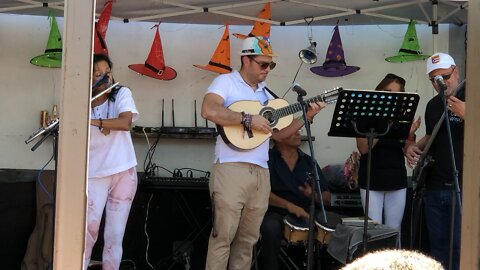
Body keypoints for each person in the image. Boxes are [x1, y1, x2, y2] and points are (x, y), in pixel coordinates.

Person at [201, 36, 325, 269]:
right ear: (246, 60)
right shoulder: (225, 81)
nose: (268, 70)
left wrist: (306, 116)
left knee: (248, 240)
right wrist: (248, 119)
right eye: (263, 64)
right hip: (230, 167)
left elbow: (278, 135)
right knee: (223, 238)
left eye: (271, 65)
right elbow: (208, 109)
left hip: (261, 172)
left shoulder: (267, 95)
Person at [405, 52, 464, 270]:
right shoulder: (432, 105)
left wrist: (468, 114)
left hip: (464, 187)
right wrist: (413, 147)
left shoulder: (472, 97)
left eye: (445, 77)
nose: (441, 84)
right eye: (434, 80)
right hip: (435, 185)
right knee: (437, 249)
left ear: (456, 71)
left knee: (462, 247)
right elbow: (432, 135)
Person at [84, 54, 139, 270]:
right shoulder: (80, 101)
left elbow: (125, 122)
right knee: (89, 232)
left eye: (108, 72)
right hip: (94, 172)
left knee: (115, 236)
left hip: (123, 170)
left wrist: (94, 121)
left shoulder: (121, 93)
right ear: (87, 78)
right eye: (98, 74)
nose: (105, 77)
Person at [355, 73, 421, 237]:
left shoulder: (403, 115)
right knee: (372, 231)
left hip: (396, 177)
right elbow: (364, 148)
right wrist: (384, 124)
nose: (390, 97)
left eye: (396, 94)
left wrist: (409, 140)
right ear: (379, 91)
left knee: (394, 230)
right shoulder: (365, 114)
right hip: (372, 178)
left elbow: (407, 145)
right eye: (387, 91)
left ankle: (392, 263)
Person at [259, 129, 331, 270]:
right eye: (293, 130)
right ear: (278, 137)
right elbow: (260, 193)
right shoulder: (265, 160)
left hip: (306, 213)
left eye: (299, 130)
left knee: (334, 227)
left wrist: (313, 195)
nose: (298, 133)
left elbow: (327, 197)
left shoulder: (309, 161)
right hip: (275, 212)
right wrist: (289, 206)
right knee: (270, 227)